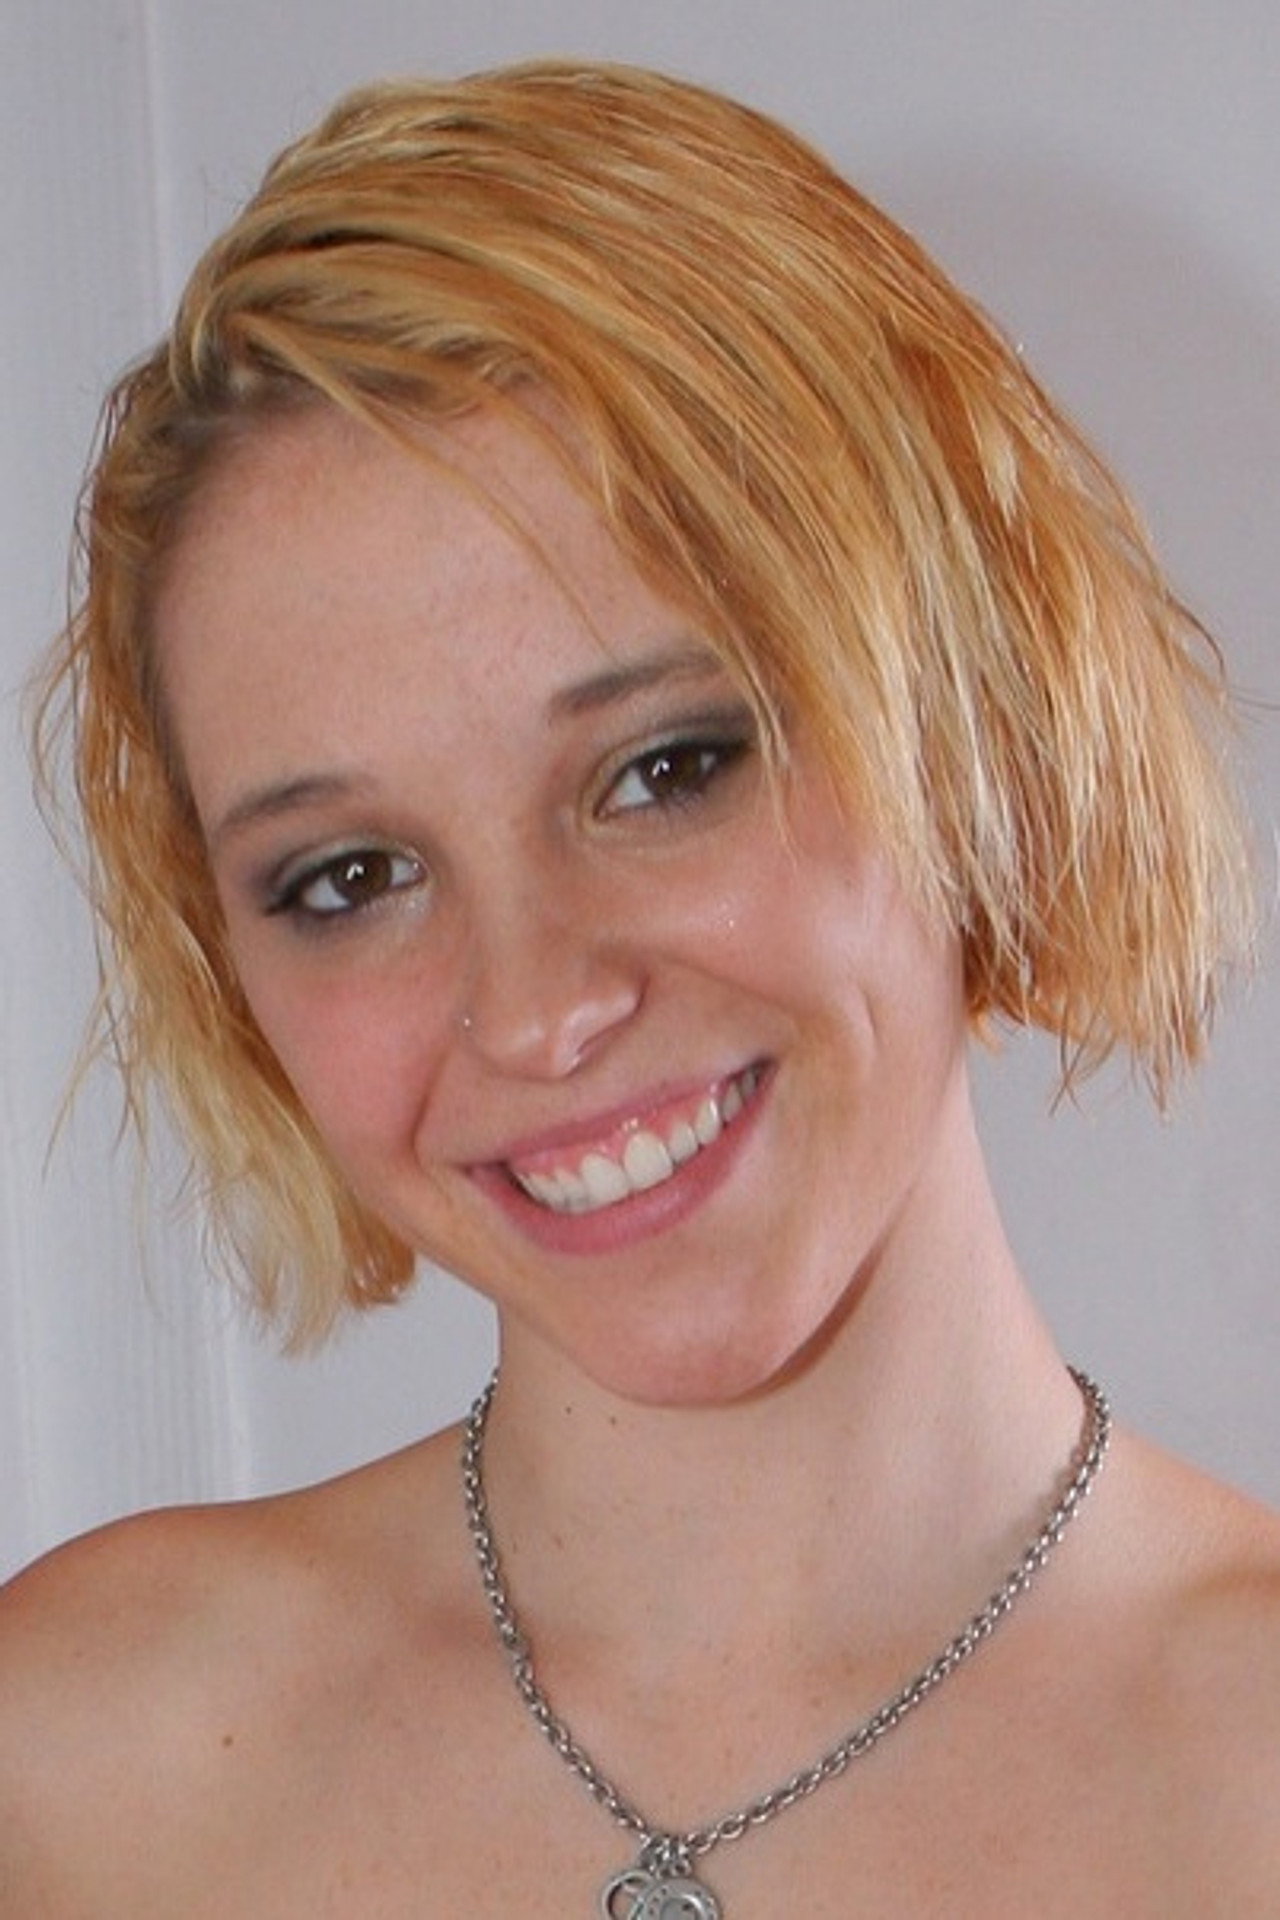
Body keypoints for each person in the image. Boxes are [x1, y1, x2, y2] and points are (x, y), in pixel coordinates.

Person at [2, 59, 1277, 1917]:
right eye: (350, 878)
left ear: (974, 698)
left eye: (666, 769)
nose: (535, 1010)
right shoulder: (75, 1769)